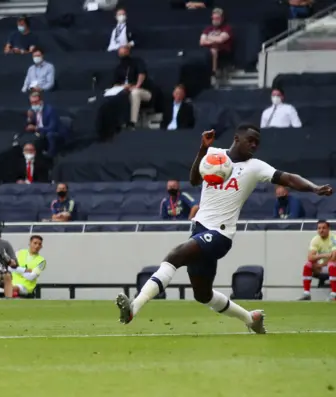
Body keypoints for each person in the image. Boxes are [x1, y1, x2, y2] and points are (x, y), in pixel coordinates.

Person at [115, 125, 333, 333]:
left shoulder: (255, 166)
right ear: (237, 139)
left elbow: (287, 178)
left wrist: (313, 188)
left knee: (175, 255)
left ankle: (134, 307)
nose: (254, 145)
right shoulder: (215, 155)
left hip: (220, 234)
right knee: (203, 295)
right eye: (251, 141)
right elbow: (193, 180)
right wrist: (203, 149)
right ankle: (251, 319)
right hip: (199, 229)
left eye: (257, 142)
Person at [112, 45, 152, 129]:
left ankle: (132, 123)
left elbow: (142, 74)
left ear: (128, 49)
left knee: (135, 93)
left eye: (123, 48)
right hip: (126, 91)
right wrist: (124, 87)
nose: (121, 50)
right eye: (119, 48)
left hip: (144, 91)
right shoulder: (119, 67)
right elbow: (115, 84)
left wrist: (136, 86)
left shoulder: (137, 61)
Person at [299, 220, 336, 301]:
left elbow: (333, 257)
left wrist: (320, 265)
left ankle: (334, 294)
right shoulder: (315, 239)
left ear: (328, 229)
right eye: (319, 228)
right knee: (308, 264)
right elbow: (310, 257)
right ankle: (306, 293)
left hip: (332, 266)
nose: (321, 230)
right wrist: (324, 255)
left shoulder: (333, 238)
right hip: (322, 266)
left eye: (324, 228)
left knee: (331, 264)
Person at [25, 92, 66, 157]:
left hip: (56, 134)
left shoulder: (50, 110)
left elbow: (52, 128)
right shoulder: (32, 111)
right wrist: (29, 118)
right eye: (32, 103)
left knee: (50, 134)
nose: (34, 105)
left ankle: (51, 154)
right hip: (41, 132)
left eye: (36, 102)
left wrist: (36, 128)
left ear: (41, 101)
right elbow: (30, 125)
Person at [199, 8, 233, 80]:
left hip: (223, 51)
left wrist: (208, 38)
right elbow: (202, 42)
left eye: (217, 18)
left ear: (222, 18)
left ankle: (214, 72)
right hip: (209, 51)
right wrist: (214, 39)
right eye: (214, 18)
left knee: (214, 49)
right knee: (210, 50)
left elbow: (220, 40)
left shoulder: (227, 28)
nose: (215, 20)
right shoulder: (208, 29)